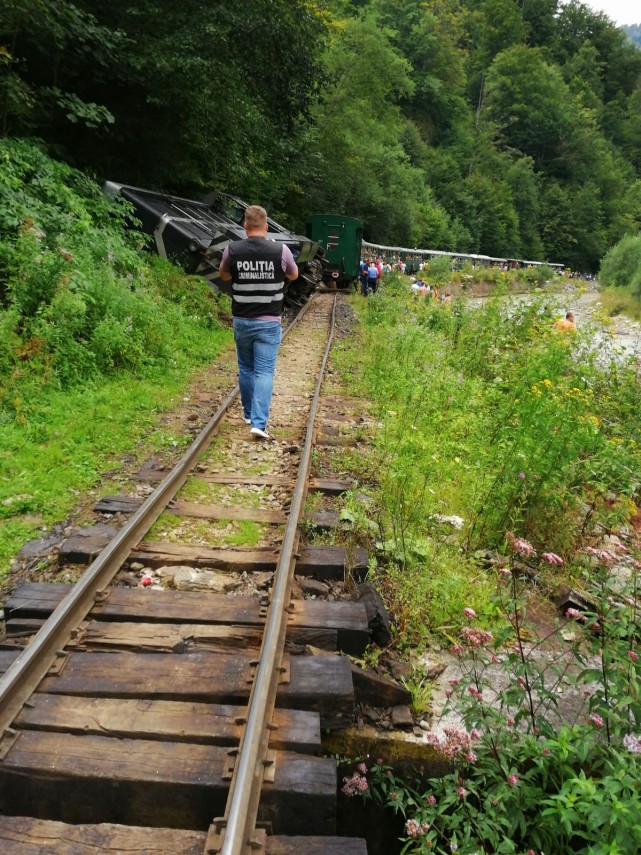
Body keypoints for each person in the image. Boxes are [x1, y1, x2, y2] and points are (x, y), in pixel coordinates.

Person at [218, 205, 298, 440]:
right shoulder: (281, 250)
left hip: (242, 320)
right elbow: (293, 274)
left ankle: (248, 414)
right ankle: (259, 423)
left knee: (246, 368)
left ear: (245, 226)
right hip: (268, 322)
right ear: (266, 226)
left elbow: (223, 274)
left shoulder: (232, 250)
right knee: (264, 371)